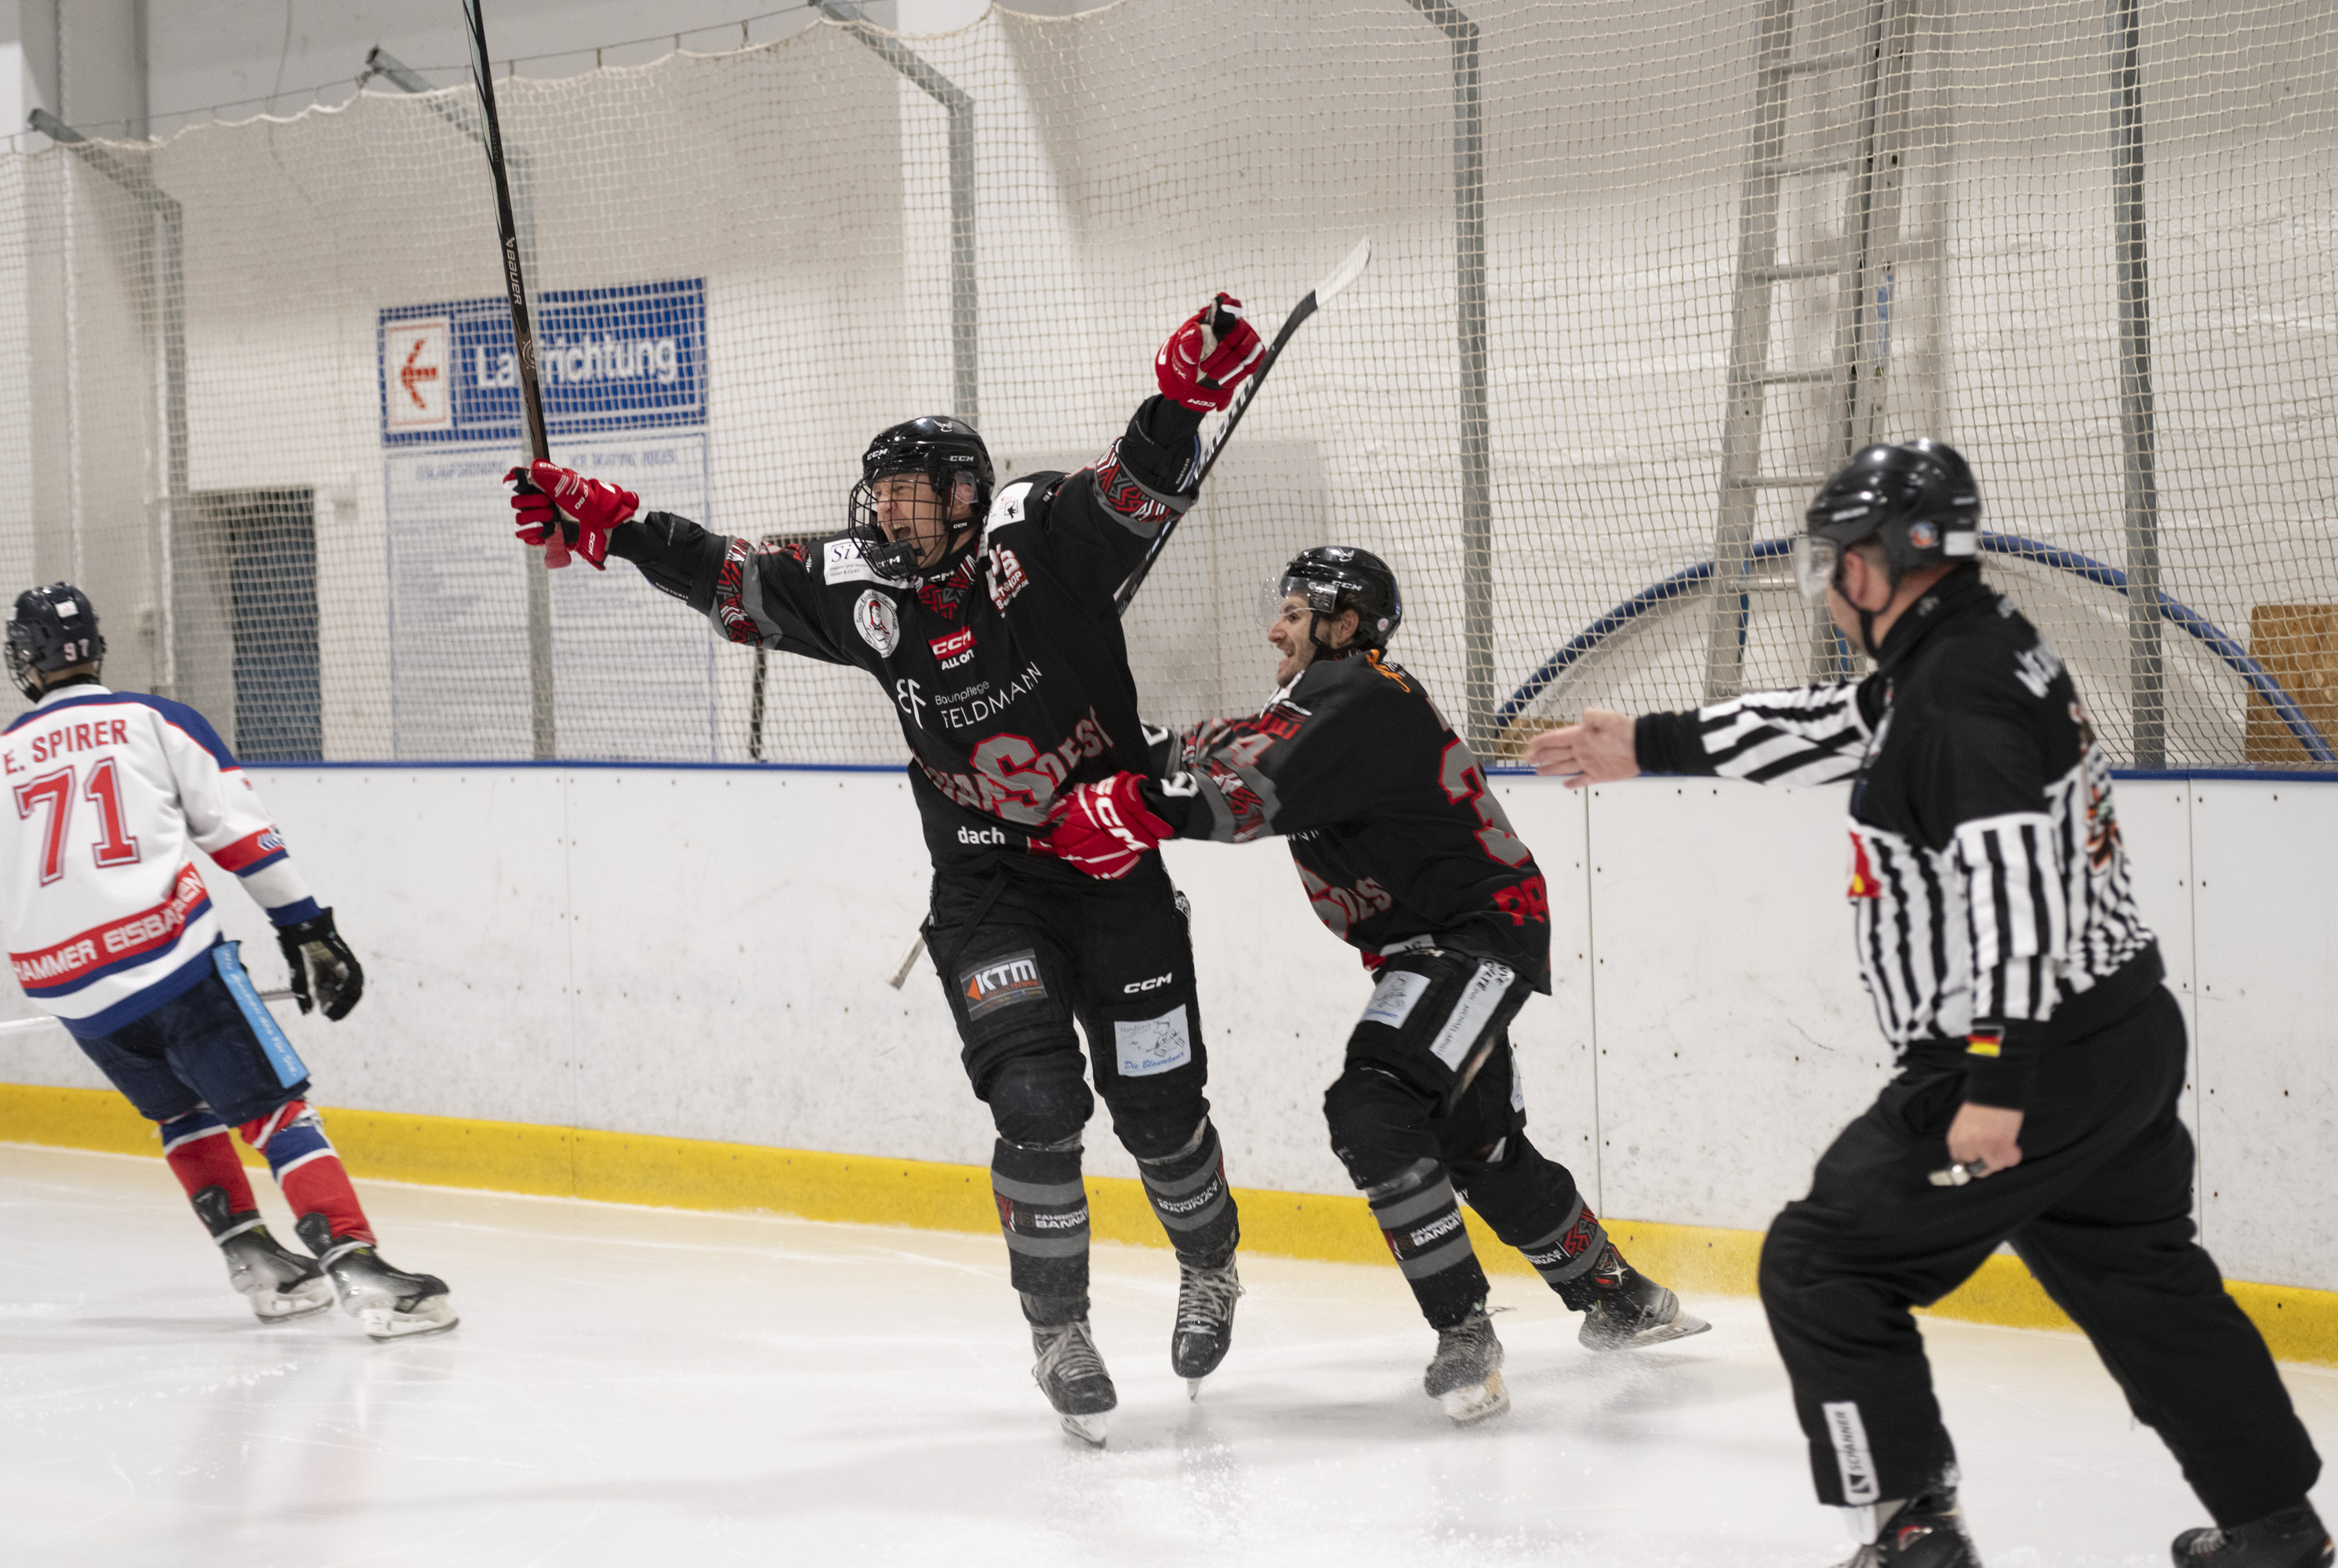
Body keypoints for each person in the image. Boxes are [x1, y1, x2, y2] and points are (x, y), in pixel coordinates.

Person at [1527, 441, 2330, 1568]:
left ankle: (1912, 1533)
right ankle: (2276, 1527)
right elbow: (1842, 727)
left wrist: (1995, 1085)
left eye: (1836, 560)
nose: (1829, 585)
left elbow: (2017, 896)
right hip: (2119, 1037)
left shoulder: (1958, 695)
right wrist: (1653, 744)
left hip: (2019, 1058)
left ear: (1876, 563)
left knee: (1823, 1267)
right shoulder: (1964, 648)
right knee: (2145, 1282)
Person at [505, 296, 1270, 1445]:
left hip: (1113, 870)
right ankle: (1058, 1330)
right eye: (885, 493)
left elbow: (1134, 483)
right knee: (1037, 1101)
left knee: (1159, 1112)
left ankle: (1209, 1263)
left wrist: (1181, 402)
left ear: (969, 495)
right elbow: (732, 578)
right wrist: (614, 526)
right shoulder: (862, 585)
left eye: (916, 492)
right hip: (985, 888)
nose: (892, 512)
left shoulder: (1041, 538)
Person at [1036, 546, 1707, 1426]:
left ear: (1344, 623)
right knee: (1478, 1145)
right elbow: (1206, 744)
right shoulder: (1316, 701)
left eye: (1292, 610)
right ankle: (1618, 1296)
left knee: (1375, 1106)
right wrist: (1074, 736)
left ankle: (1463, 1327)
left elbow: (1236, 794)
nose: (1273, 626)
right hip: (1434, 949)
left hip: (1473, 940)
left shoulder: (1356, 697)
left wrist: (1122, 805)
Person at [1, 583, 454, 1340]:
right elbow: (243, 835)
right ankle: (359, 1268)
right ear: (98, 649)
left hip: (69, 987)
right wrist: (306, 928)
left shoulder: (5, 752)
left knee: (182, 1112)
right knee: (277, 1110)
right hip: (169, 956)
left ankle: (257, 1262)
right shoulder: (154, 720)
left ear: (24, 660)